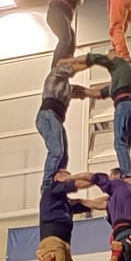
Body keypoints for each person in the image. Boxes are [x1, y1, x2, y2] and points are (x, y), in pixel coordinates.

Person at [80, 45, 131, 180]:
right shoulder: (121, 81)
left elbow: (98, 59)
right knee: (124, 146)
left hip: (124, 106)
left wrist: (73, 61)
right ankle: (124, 171)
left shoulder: (119, 63)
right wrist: (81, 91)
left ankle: (128, 175)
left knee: (119, 143)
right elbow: (98, 93)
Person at [35, 57, 90, 190]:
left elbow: (88, 92)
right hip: (48, 115)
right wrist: (95, 60)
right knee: (57, 150)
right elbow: (69, 67)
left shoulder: (67, 88)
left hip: (55, 118)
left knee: (64, 153)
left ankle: (59, 175)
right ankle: (47, 183)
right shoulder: (55, 74)